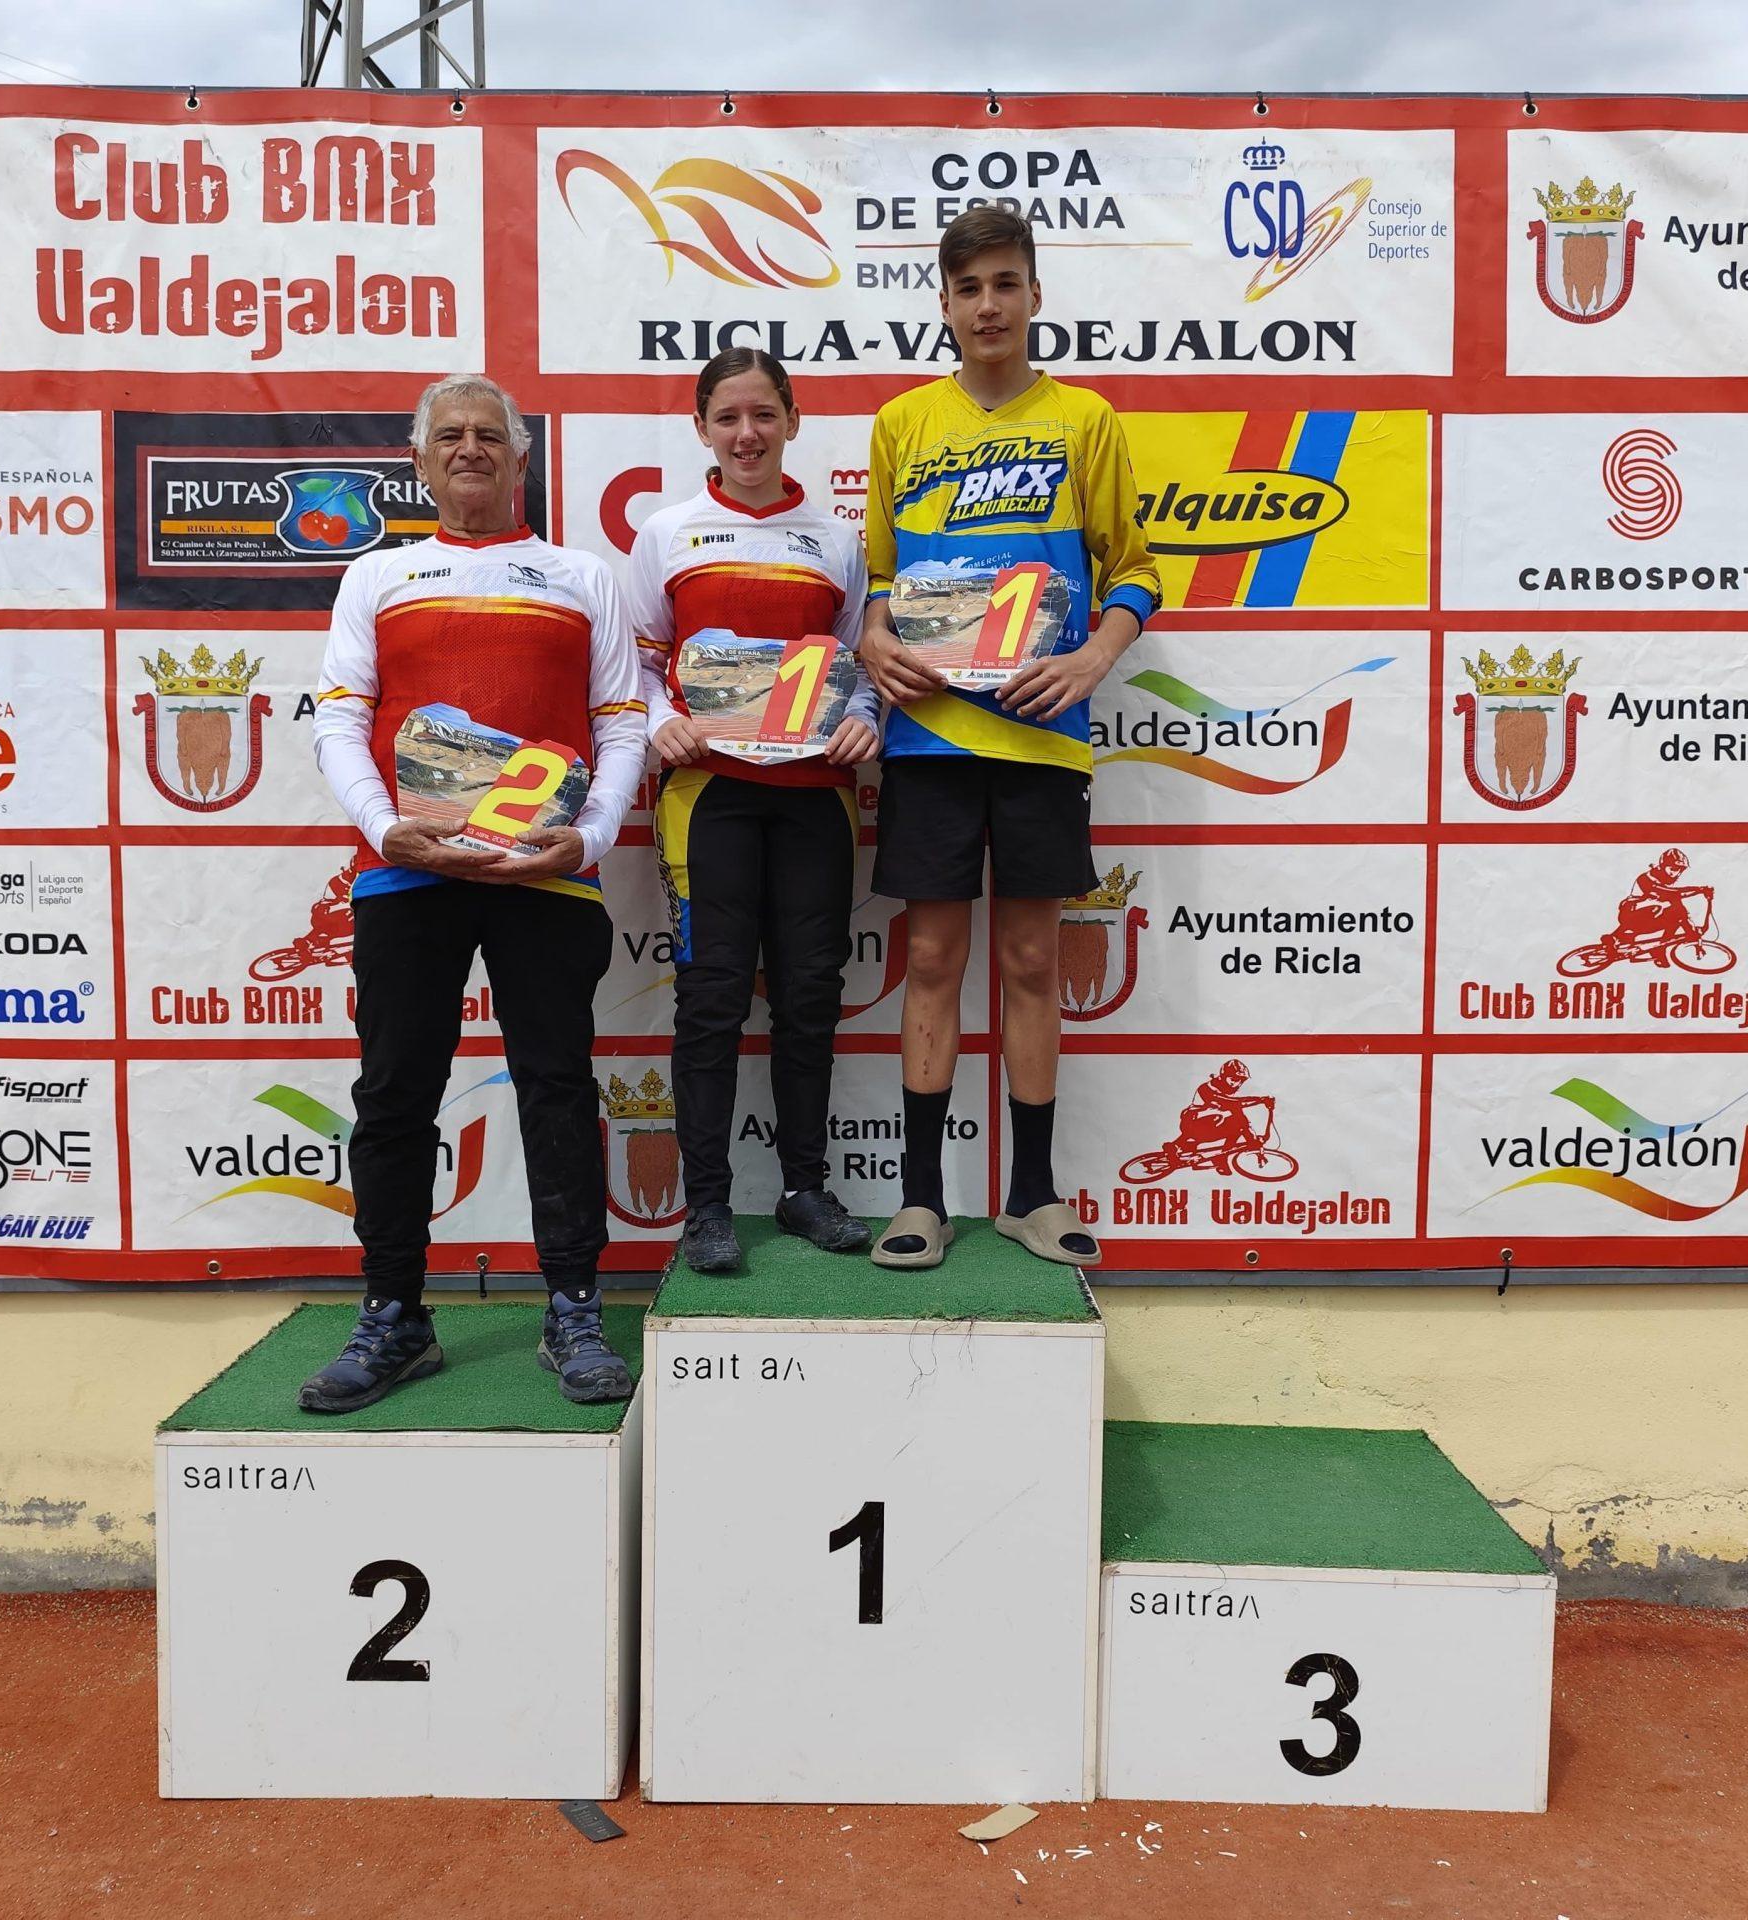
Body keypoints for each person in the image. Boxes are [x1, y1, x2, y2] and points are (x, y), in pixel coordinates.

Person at [299, 373, 648, 1412]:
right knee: (395, 1093)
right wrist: (383, 828)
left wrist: (588, 840)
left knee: (556, 1084)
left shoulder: (581, 576)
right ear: (419, 461)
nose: (469, 450)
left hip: (547, 873)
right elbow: (338, 717)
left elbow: (622, 721)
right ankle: (394, 1315)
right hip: (406, 868)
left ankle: (573, 1307)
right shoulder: (377, 575)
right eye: (448, 435)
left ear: (520, 456)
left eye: (489, 435)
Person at [856, 206, 1161, 1271]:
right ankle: (921, 1200)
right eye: (969, 287)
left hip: (1042, 736)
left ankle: (1032, 1195)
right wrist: (872, 634)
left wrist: (1093, 660)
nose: (988, 305)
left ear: (1034, 294)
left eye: (1004, 283)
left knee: (1032, 959)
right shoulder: (902, 423)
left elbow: (1135, 569)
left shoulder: (1085, 419)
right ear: (943, 305)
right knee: (934, 959)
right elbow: (882, 579)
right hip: (930, 739)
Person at [631, 348, 881, 1273]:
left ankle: (804, 1188)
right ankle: (705, 1206)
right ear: (702, 428)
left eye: (764, 415)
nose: (747, 434)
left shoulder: (837, 541)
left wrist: (863, 720)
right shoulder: (668, 533)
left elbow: (860, 666)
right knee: (711, 998)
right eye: (728, 418)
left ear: (792, 421)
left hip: (816, 796)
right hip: (709, 795)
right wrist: (657, 721)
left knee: (810, 997)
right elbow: (638, 667)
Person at [1610, 848, 1704, 949]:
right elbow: (1670, 893)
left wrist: (1691, 931)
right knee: (1655, 908)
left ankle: (1661, 948)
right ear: (1663, 865)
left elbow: (1680, 909)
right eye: (1673, 869)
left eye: (1680, 870)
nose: (1676, 873)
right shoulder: (1646, 878)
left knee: (1676, 914)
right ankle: (1615, 936)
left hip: (1648, 918)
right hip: (1630, 915)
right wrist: (1699, 890)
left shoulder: (1666, 881)